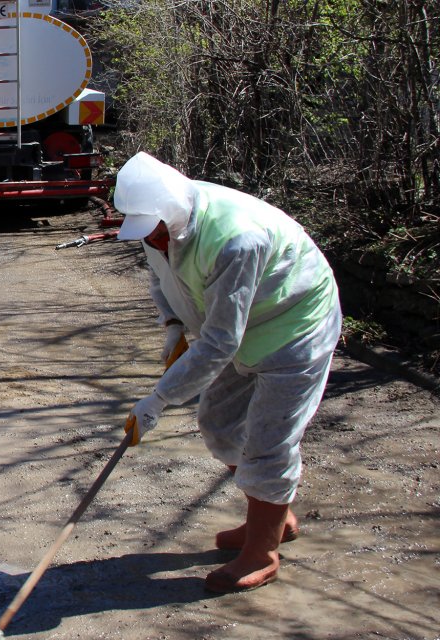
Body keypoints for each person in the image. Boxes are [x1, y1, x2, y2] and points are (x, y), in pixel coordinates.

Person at [114, 152, 341, 593]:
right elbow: (163, 280)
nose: (155, 243)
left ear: (172, 215)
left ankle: (262, 552)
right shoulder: (157, 225)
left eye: (159, 234)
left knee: (268, 440)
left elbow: (219, 343)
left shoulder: (236, 239)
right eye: (147, 236)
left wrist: (159, 399)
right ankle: (274, 515)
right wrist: (173, 323)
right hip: (243, 325)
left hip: (293, 324)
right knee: (219, 422)